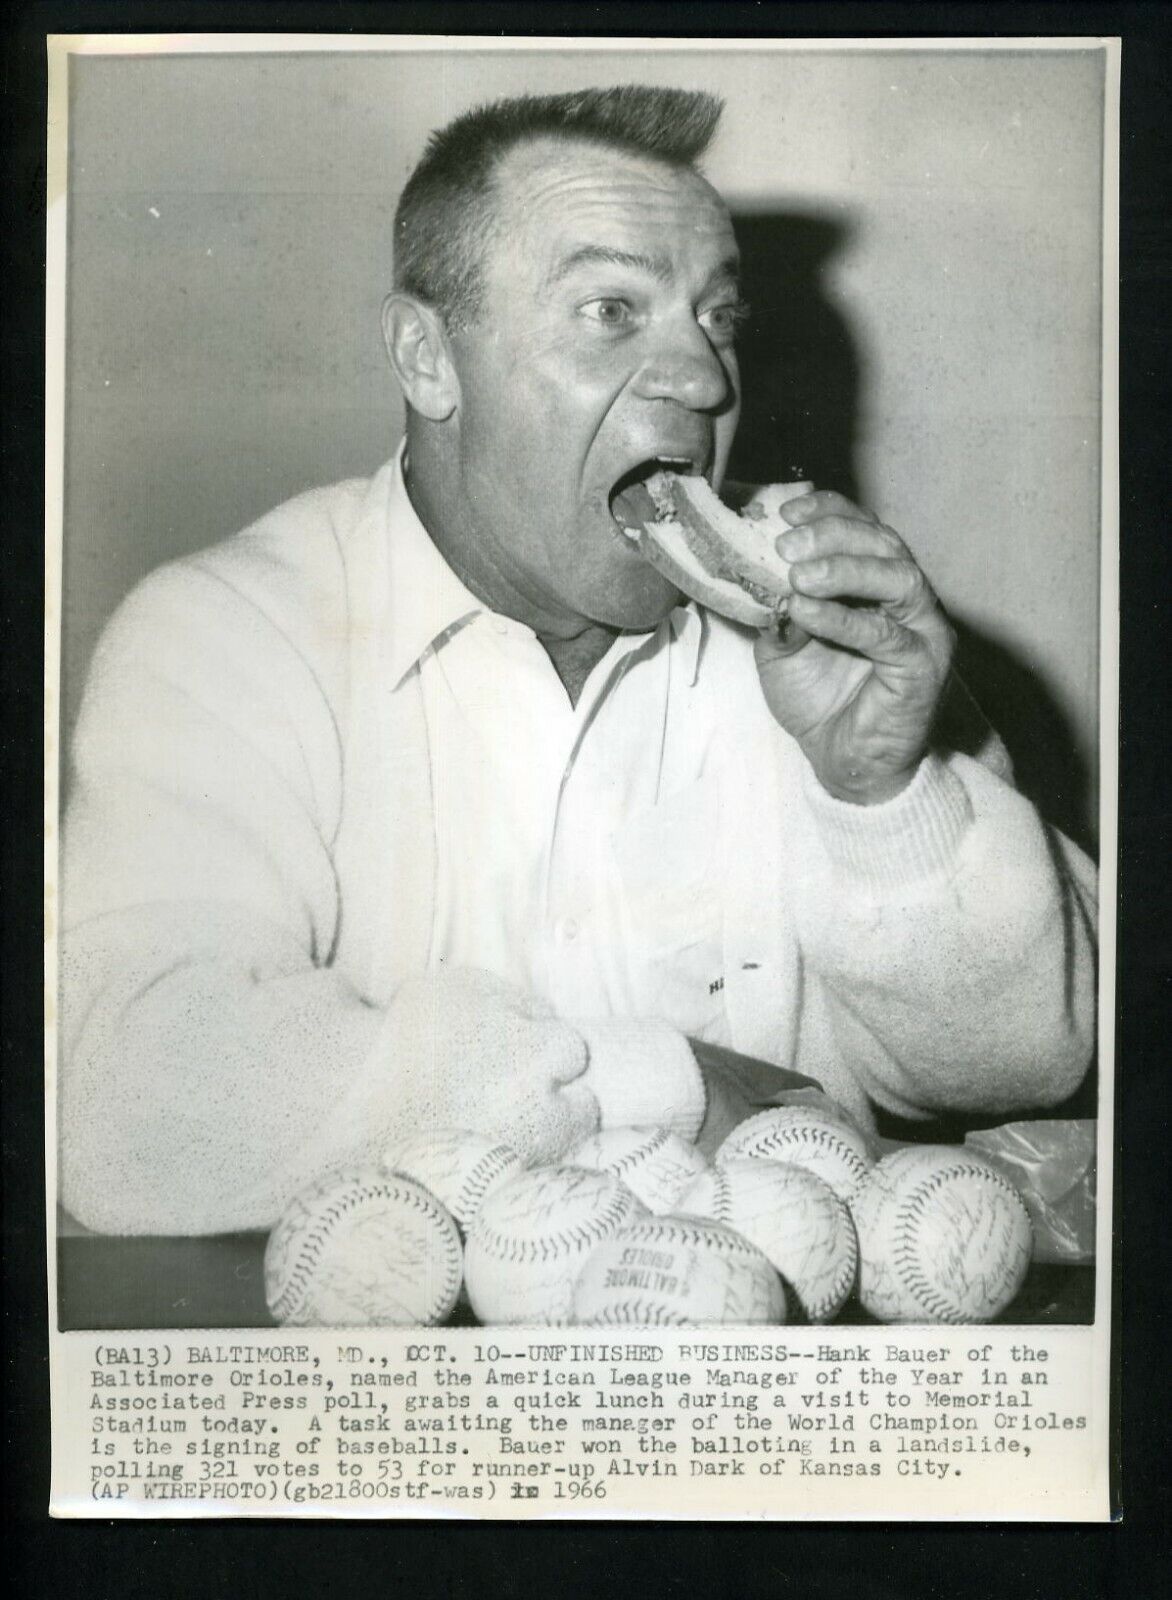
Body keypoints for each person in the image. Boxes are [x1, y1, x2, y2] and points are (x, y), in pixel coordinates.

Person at [59, 86, 1096, 1236]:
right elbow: (126, 1103)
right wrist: (652, 1085)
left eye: (717, 317)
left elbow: (1023, 1067)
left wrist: (883, 792)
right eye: (612, 308)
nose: (703, 380)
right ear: (427, 358)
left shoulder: (818, 646)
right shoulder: (225, 638)